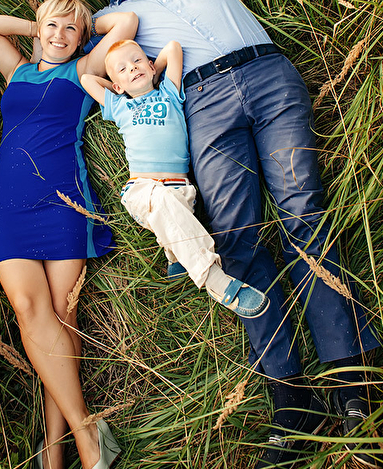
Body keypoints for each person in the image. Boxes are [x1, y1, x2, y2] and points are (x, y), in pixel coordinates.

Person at [58, 0, 382, 469]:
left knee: (303, 213)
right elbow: (71, 54)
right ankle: (291, 406)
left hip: (267, 76)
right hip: (203, 106)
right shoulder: (117, 22)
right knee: (236, 238)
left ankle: (350, 380)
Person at [0, 0, 136, 469]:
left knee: (61, 323)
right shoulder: (17, 71)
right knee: (30, 311)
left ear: (81, 38)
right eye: (52, 27)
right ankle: (88, 434)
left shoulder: (83, 69)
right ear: (39, 29)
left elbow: (126, 21)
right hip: (6, 210)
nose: (59, 36)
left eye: (70, 30)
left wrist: (83, 23)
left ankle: (56, 452)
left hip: (62, 203)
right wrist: (42, 21)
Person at [81, 38, 269, 319]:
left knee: (173, 212)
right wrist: (118, 86)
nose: (132, 68)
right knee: (161, 201)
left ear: (150, 65)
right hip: (142, 189)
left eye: (137, 61)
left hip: (181, 189)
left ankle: (176, 257)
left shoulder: (169, 92)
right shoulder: (119, 107)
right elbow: (87, 79)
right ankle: (215, 280)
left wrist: (151, 70)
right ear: (117, 85)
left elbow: (173, 48)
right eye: (123, 69)